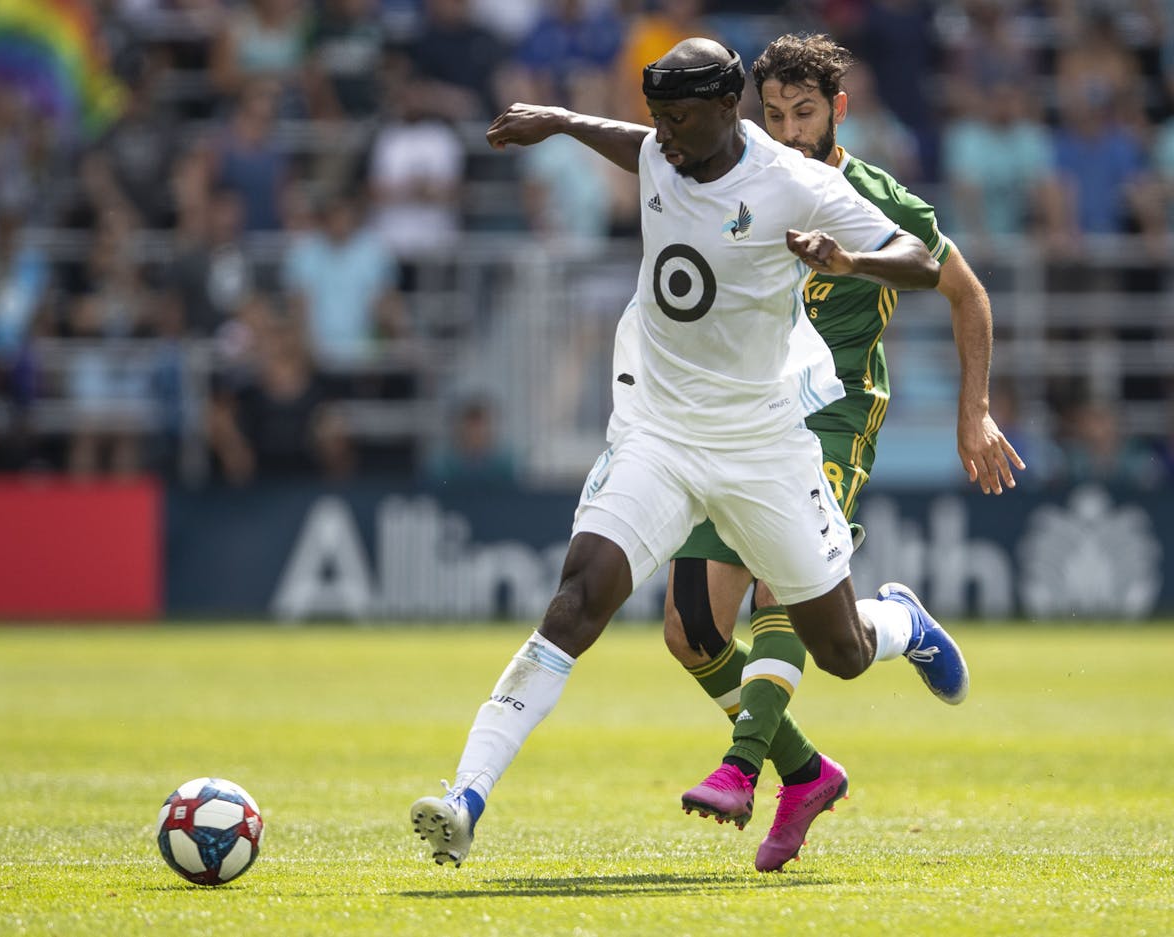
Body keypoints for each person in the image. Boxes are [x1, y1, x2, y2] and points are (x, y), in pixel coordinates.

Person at [410, 38, 958, 871]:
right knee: (578, 600)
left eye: (677, 118)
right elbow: (625, 141)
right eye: (657, 116)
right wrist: (555, 121)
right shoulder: (664, 149)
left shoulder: (793, 183)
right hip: (657, 434)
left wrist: (851, 260)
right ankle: (464, 797)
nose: (660, 135)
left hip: (762, 444)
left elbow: (919, 261)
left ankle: (901, 622)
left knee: (841, 650)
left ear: (726, 107)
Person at [655, 32, 1025, 873]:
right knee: (690, 631)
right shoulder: (740, 181)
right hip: (740, 416)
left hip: (832, 414)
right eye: (774, 113)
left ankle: (741, 764)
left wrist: (975, 413)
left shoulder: (874, 197)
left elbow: (965, 292)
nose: (788, 131)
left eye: (805, 113)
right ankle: (836, 724)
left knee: (781, 580)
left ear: (839, 111)